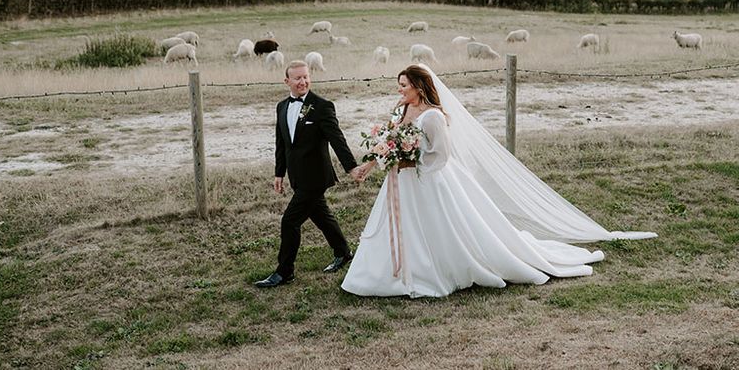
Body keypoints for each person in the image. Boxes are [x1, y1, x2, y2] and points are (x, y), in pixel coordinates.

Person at [342, 64, 656, 298]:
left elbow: (442, 154)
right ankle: (387, 273)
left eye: (404, 85)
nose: (400, 90)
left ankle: (432, 270)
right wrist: (369, 166)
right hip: (400, 183)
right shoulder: (402, 110)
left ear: (419, 87)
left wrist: (414, 162)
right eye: (399, 85)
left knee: (436, 228)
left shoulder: (433, 116)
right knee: (398, 227)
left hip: (428, 181)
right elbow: (389, 144)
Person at [255, 60, 363, 288]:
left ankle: (285, 272)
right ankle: (343, 252)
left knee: (290, 221)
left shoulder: (322, 106)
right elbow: (282, 143)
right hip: (297, 176)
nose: (303, 81)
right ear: (287, 81)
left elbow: (337, 139)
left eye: (306, 77)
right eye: (297, 78)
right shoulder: (282, 106)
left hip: (315, 177)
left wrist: (352, 167)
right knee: (320, 214)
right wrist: (279, 173)